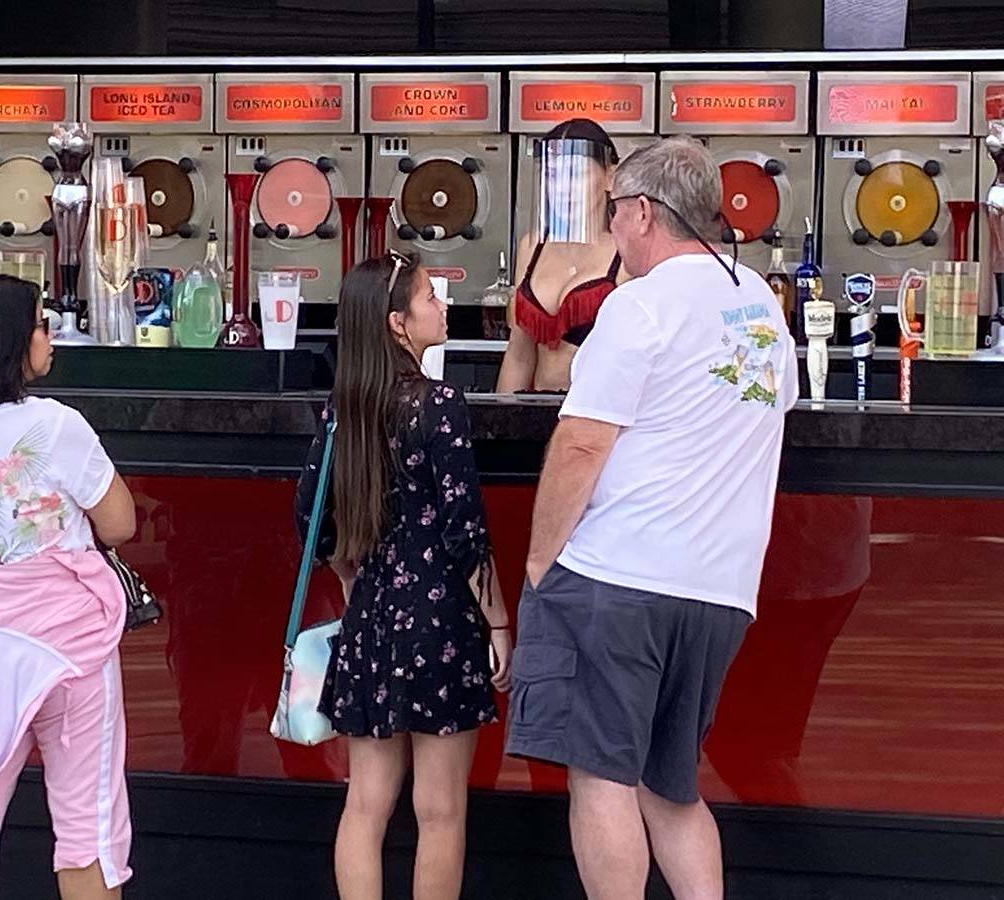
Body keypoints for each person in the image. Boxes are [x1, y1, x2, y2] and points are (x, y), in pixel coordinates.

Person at [506, 137, 798, 900]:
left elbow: (580, 445)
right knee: (671, 785)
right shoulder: (761, 305)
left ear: (640, 211)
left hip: (621, 579)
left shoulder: (641, 305)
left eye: (614, 212)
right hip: (721, 589)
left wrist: (540, 565)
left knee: (601, 778)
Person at [295, 251, 513, 900]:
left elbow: (313, 519)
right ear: (398, 323)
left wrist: (348, 579)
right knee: (439, 811)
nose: (442, 305)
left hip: (371, 620)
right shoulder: (438, 405)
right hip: (440, 620)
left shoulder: (344, 411)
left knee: (366, 805)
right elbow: (463, 529)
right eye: (429, 297)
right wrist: (499, 619)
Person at [0, 274, 137, 900]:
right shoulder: (56, 425)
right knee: (86, 827)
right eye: (43, 324)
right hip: (68, 650)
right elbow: (119, 522)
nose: (52, 335)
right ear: (13, 340)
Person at [497, 118, 628, 393]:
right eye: (553, 175)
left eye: (577, 173)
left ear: (609, 177)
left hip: (595, 417)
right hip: (533, 413)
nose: (564, 188)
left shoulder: (628, 251)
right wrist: (498, 424)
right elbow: (519, 355)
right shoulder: (532, 246)